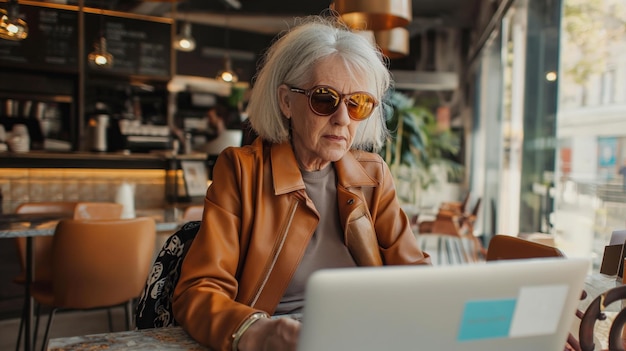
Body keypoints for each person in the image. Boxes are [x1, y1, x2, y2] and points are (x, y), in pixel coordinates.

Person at [172, 14, 432, 351]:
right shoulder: (241, 171)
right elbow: (198, 290)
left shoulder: (373, 176)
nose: (342, 118)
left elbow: (415, 274)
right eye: (324, 99)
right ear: (286, 101)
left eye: (358, 103)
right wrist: (255, 332)